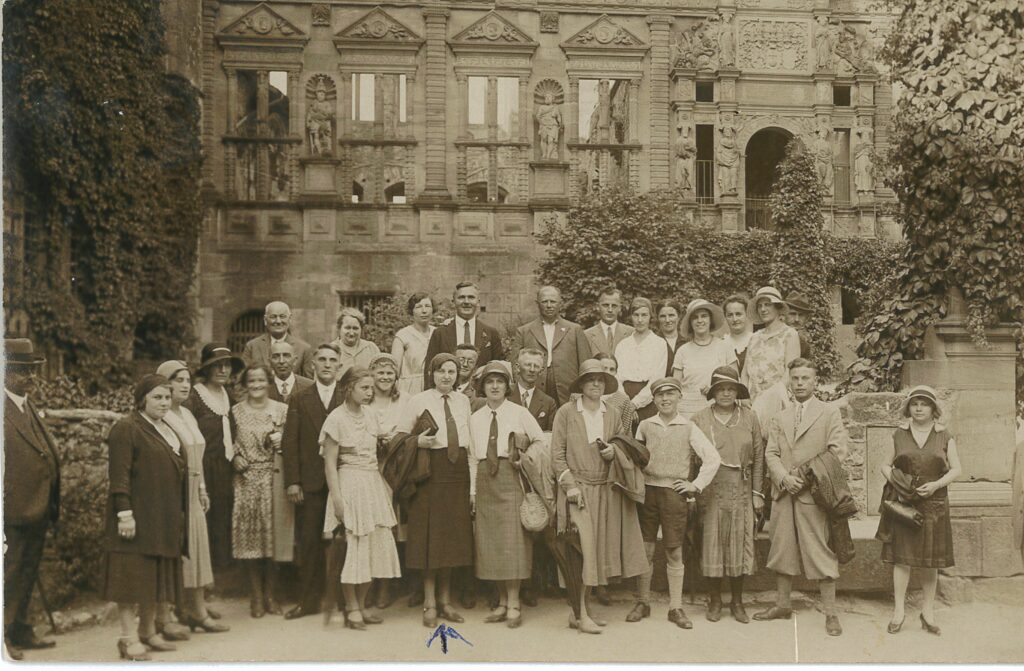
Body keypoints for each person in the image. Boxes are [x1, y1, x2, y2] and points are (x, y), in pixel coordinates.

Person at [551, 359, 650, 634]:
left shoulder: (613, 413)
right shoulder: (566, 412)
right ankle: (581, 614)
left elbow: (623, 447)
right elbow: (557, 456)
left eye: (600, 379)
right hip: (577, 491)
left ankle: (581, 612)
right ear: (581, 384)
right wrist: (569, 486)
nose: (596, 383)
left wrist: (613, 453)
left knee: (596, 553)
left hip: (606, 489)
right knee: (581, 553)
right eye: (590, 379)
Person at [754, 359, 848, 636]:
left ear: (815, 381)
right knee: (782, 548)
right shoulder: (780, 417)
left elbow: (837, 451)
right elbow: (771, 453)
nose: (800, 383)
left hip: (813, 496)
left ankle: (830, 613)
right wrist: (783, 477)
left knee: (820, 550)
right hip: (784, 495)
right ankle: (782, 605)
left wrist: (805, 479)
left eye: (806, 378)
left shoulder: (828, 413)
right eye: (795, 378)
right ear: (789, 381)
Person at [102, 375, 187, 661]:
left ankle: (148, 632)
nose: (164, 402)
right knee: (130, 578)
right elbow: (119, 476)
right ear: (142, 400)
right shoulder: (127, 428)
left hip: (161, 517)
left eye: (167, 397)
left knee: (153, 577)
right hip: (135, 517)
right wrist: (124, 514)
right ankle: (127, 639)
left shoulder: (166, 427)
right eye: (157, 398)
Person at [629, 377, 721, 629]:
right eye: (660, 395)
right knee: (646, 549)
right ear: (654, 399)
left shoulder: (688, 426)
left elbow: (712, 458)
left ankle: (675, 607)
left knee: (673, 549)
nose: (665, 399)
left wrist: (695, 484)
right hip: (648, 493)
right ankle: (643, 602)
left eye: (670, 394)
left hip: (674, 495)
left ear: (679, 397)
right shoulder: (646, 425)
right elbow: (637, 458)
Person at [320, 367, 402, 630]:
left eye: (371, 387)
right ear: (348, 388)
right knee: (353, 545)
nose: (370, 392)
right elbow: (330, 465)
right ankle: (351, 607)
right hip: (348, 483)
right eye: (364, 387)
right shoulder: (335, 419)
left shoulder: (370, 414)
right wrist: (337, 500)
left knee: (374, 544)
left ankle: (363, 603)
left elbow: (379, 454)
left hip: (371, 484)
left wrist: (384, 487)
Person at [399, 353, 475, 627]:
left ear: (458, 375)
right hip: (430, 472)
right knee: (431, 539)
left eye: (452, 371)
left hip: (457, 473)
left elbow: (470, 443)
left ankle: (445, 601)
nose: (446, 376)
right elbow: (400, 436)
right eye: (441, 371)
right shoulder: (418, 401)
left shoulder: (463, 401)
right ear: (432, 373)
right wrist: (417, 441)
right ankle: (429, 602)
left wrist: (472, 487)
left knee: (452, 539)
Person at [469, 361, 546, 628]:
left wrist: (524, 458)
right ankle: (501, 602)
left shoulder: (518, 412)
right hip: (484, 480)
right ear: (482, 387)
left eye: (499, 382)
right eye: (489, 382)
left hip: (510, 477)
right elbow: (471, 457)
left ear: (507, 386)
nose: (494, 386)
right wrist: (472, 491)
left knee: (513, 542)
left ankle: (514, 602)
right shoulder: (475, 418)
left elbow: (540, 440)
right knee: (491, 544)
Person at [879, 385, 960, 636]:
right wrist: (899, 484)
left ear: (934, 409)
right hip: (904, 504)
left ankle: (928, 612)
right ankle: (899, 612)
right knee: (902, 558)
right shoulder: (899, 434)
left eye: (924, 404)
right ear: (908, 408)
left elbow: (956, 469)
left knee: (930, 561)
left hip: (934, 505)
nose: (919, 408)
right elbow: (884, 465)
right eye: (915, 404)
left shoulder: (944, 435)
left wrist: (936, 485)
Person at [157, 361, 229, 634]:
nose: (185, 385)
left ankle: (196, 607)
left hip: (195, 489)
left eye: (187, 380)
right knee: (179, 551)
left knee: (198, 548)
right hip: (176, 492)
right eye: (178, 380)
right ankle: (181, 610)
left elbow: (196, 454)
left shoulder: (187, 414)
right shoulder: (162, 418)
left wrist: (202, 489)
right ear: (164, 384)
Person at [690, 366, 764, 624]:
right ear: (713, 392)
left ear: (737, 392)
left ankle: (737, 601)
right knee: (712, 544)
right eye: (720, 389)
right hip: (710, 490)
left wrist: (757, 493)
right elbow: (691, 461)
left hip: (741, 489)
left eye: (731, 389)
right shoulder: (699, 419)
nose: (726, 394)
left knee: (738, 546)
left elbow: (758, 457)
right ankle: (714, 600)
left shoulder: (749, 417)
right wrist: (693, 492)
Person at [3, 339, 59, 658]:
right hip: (11, 510)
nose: (31, 378)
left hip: (36, 507)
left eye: (33, 371)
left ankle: (20, 627)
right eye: (23, 371)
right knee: (8, 574)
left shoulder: (26, 404)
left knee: (27, 571)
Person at [281, 344, 345, 620]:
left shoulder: (348, 396)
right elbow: (290, 441)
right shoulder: (299, 398)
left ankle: (344, 601)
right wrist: (293, 481)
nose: (327, 364)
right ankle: (308, 600)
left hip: (344, 480)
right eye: (322, 360)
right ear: (313, 365)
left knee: (344, 540)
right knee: (309, 542)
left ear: (339, 366)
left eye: (333, 360)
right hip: (311, 481)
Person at [230, 365, 289, 618]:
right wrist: (233, 458)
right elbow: (226, 442)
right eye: (251, 380)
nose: (256, 385)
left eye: (261, 380)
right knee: (250, 540)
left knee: (274, 538)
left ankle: (271, 594)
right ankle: (255, 596)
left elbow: (292, 441)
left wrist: (281, 441)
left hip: (274, 477)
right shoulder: (235, 412)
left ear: (269, 382)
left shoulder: (281, 409)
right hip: (246, 479)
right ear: (245, 384)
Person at [185, 343, 246, 573]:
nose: (223, 370)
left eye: (227, 365)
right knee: (205, 521)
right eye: (216, 366)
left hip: (226, 467)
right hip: (203, 469)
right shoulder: (195, 398)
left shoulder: (227, 396)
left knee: (224, 519)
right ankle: (202, 578)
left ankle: (221, 575)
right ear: (206, 370)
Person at [365, 353, 410, 609]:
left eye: (389, 374)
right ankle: (369, 583)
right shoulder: (364, 400)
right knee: (371, 527)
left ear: (396, 377)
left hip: (397, 469)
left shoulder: (405, 401)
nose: (384, 378)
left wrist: (393, 440)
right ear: (371, 376)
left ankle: (387, 585)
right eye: (379, 373)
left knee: (392, 527)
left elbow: (412, 431)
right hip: (371, 468)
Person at [514, 286, 592, 406]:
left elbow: (586, 364)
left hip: (567, 389)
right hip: (535, 385)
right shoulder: (524, 331)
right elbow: (515, 366)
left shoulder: (574, 330)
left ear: (560, 304)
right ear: (538, 303)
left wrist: (582, 390)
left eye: (553, 301)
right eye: (545, 301)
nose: (549, 305)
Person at [423, 282, 504, 389]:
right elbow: (430, 369)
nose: (466, 302)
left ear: (478, 301)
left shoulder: (491, 333)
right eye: (461, 297)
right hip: (448, 394)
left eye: (471, 297)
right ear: (454, 302)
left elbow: (500, 367)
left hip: (482, 396)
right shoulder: (440, 333)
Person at [673, 299, 735, 418]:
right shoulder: (682, 351)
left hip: (717, 407)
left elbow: (734, 381)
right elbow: (676, 386)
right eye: (695, 317)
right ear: (690, 322)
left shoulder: (725, 347)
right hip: (687, 409)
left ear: (710, 320)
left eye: (704, 316)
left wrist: (715, 388)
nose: (700, 320)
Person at [740, 287, 801, 402]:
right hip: (752, 402)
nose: (763, 309)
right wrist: (744, 396)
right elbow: (745, 373)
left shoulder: (789, 335)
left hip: (778, 401)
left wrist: (771, 398)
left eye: (768, 304)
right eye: (760, 306)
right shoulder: (754, 337)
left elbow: (791, 372)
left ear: (778, 307)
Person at [614, 297, 668, 422]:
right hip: (623, 400)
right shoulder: (623, 345)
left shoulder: (659, 344)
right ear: (631, 316)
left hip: (648, 401)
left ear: (650, 316)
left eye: (644, 315)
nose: (640, 320)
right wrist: (626, 404)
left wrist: (635, 404)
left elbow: (657, 378)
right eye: (636, 315)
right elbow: (617, 377)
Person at [242, 301, 314, 378]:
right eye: (273, 317)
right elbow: (242, 381)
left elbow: (309, 383)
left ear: (289, 319)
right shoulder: (252, 346)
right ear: (265, 320)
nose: (278, 321)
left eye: (282, 316)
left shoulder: (304, 349)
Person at [391, 293, 436, 396]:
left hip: (433, 386)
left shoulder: (437, 332)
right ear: (412, 311)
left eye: (427, 306)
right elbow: (395, 370)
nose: (424, 311)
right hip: (409, 388)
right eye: (419, 307)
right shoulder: (402, 336)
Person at [509, 348, 558, 432]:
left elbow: (549, 436)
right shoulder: (505, 395)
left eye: (536, 366)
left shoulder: (548, 403)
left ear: (541, 371)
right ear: (518, 367)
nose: (532, 369)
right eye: (528, 365)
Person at [332, 307, 381, 379]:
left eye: (355, 328)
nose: (351, 333)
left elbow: (380, 374)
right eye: (347, 328)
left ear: (361, 329)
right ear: (339, 328)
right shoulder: (331, 350)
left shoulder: (371, 348)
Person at [584, 286, 634, 357]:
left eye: (614, 306)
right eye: (605, 305)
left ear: (620, 308)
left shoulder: (631, 333)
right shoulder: (587, 335)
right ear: (598, 307)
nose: (610, 310)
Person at [266, 340, 313, 405]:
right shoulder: (264, 387)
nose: (281, 361)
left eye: (286, 356)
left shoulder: (310, 386)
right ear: (269, 362)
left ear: (295, 360)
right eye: (276, 356)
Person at [722, 295, 753, 374]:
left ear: (747, 315)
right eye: (730, 315)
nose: (735, 319)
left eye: (738, 314)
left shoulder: (756, 340)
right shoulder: (721, 343)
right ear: (725, 317)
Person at [657, 300, 685, 377]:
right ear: (658, 318)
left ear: (679, 317)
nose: (667, 320)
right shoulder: (652, 342)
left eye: (671, 315)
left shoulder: (687, 343)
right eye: (663, 316)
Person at [783, 292, 814, 359]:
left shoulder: (804, 346)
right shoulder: (774, 336)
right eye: (792, 314)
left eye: (801, 315)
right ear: (784, 315)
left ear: (806, 318)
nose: (797, 319)